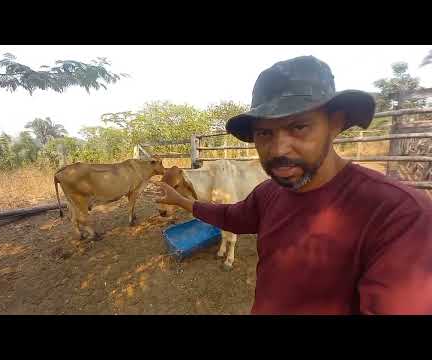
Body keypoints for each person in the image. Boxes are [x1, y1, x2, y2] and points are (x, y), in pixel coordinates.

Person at [155, 55, 432, 315]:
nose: (278, 149)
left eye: (298, 127)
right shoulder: (270, 193)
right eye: (265, 132)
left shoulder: (401, 216)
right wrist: (180, 200)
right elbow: (232, 217)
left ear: (335, 123)